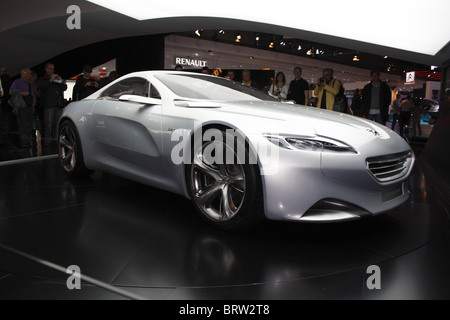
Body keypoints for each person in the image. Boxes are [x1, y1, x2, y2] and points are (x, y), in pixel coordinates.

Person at [37, 62, 67, 145]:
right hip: (48, 105)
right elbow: (40, 86)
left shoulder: (56, 79)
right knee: (48, 124)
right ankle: (47, 141)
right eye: (49, 68)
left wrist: (60, 80)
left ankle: (56, 140)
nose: (51, 70)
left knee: (57, 123)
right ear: (46, 69)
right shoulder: (42, 79)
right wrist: (50, 80)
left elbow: (65, 88)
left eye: (53, 69)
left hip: (58, 104)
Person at [9, 68, 37, 148]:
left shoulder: (29, 84)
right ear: (22, 74)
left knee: (29, 125)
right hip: (22, 107)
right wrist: (22, 93)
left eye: (30, 73)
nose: (29, 75)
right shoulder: (17, 82)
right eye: (27, 73)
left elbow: (32, 95)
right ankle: (24, 143)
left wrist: (33, 105)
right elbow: (10, 92)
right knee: (23, 125)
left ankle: (28, 141)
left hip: (29, 107)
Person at [0, 67, 12, 138]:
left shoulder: (1, 81)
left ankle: (2, 136)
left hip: (1, 103)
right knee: (7, 120)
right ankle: (6, 136)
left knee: (2, 121)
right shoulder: (10, 81)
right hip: (9, 103)